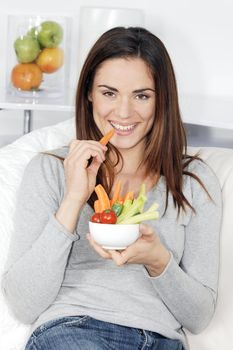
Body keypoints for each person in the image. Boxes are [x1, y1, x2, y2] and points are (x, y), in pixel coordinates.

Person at [1, 27, 222, 350]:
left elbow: (199, 317)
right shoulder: (50, 169)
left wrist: (159, 261)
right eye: (109, 93)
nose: (123, 112)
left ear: (162, 100)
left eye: (142, 96)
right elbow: (24, 303)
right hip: (73, 331)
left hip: (162, 341)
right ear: (89, 92)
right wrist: (74, 198)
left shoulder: (193, 182)